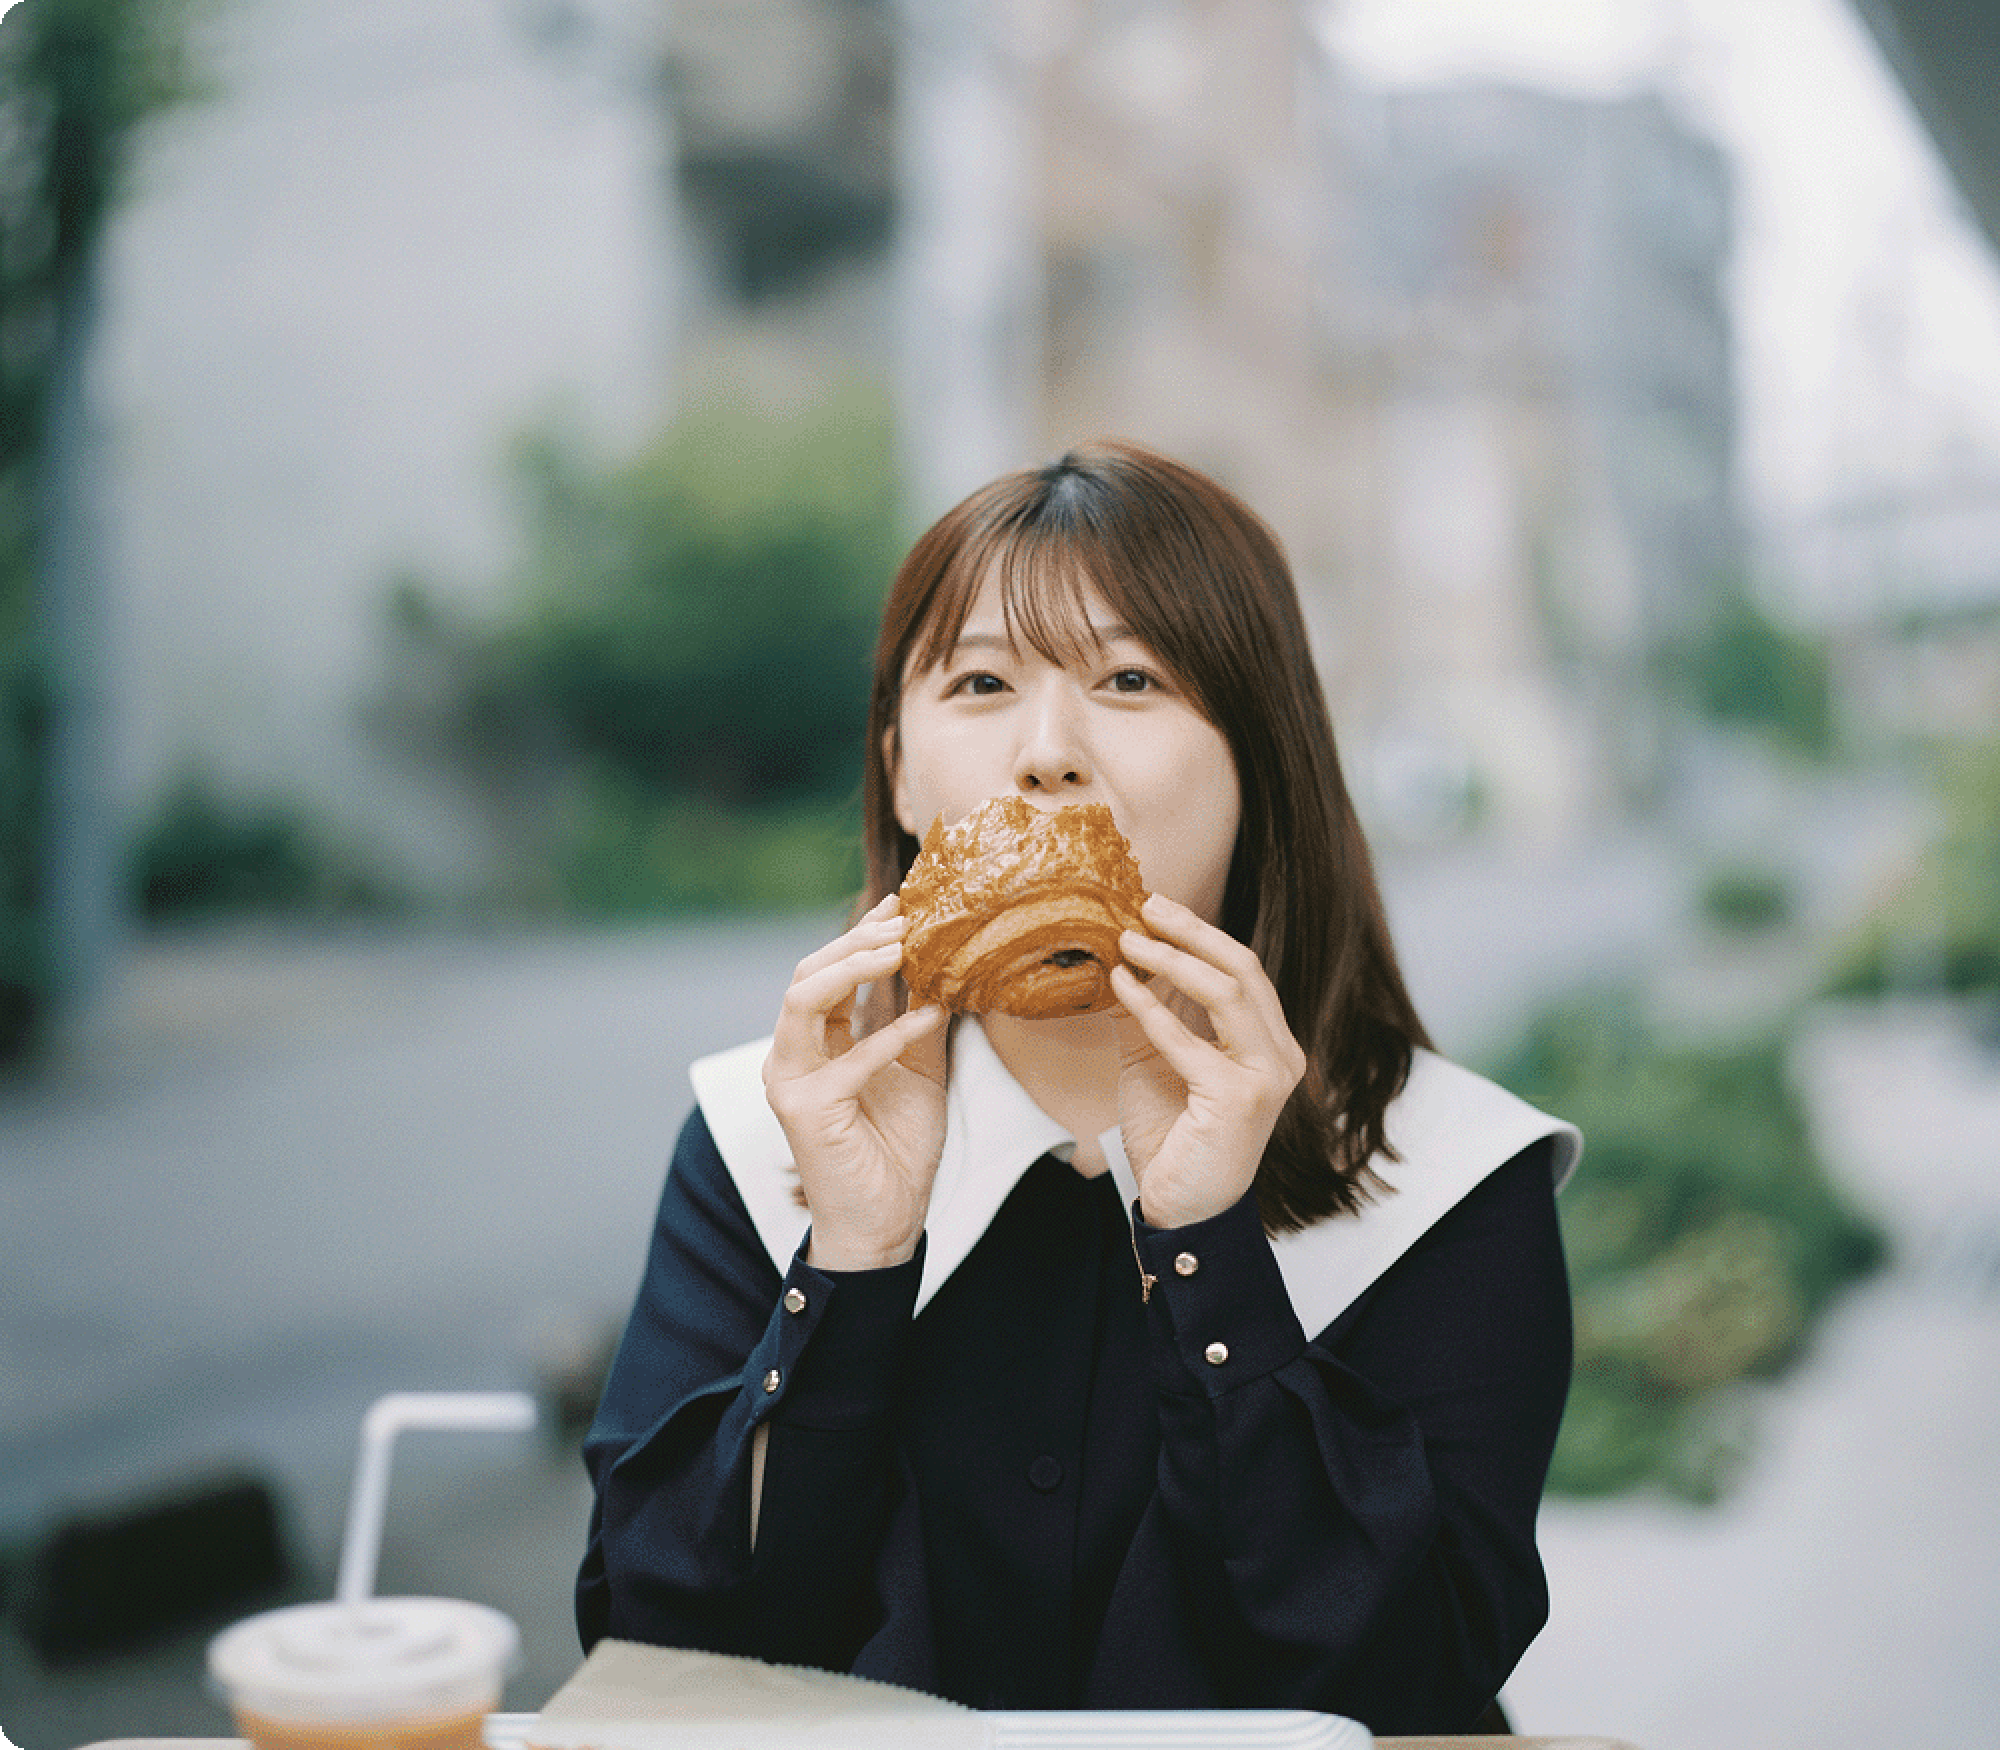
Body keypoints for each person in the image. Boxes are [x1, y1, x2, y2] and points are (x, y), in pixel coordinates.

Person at [576, 440, 1579, 1733]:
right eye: (982, 680)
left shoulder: (1449, 1175)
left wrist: (1209, 1246)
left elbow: (1415, 1692)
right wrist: (854, 1256)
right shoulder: (760, 1135)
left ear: (1261, 767)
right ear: (898, 769)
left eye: (1129, 677)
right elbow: (663, 1658)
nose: (1047, 754)